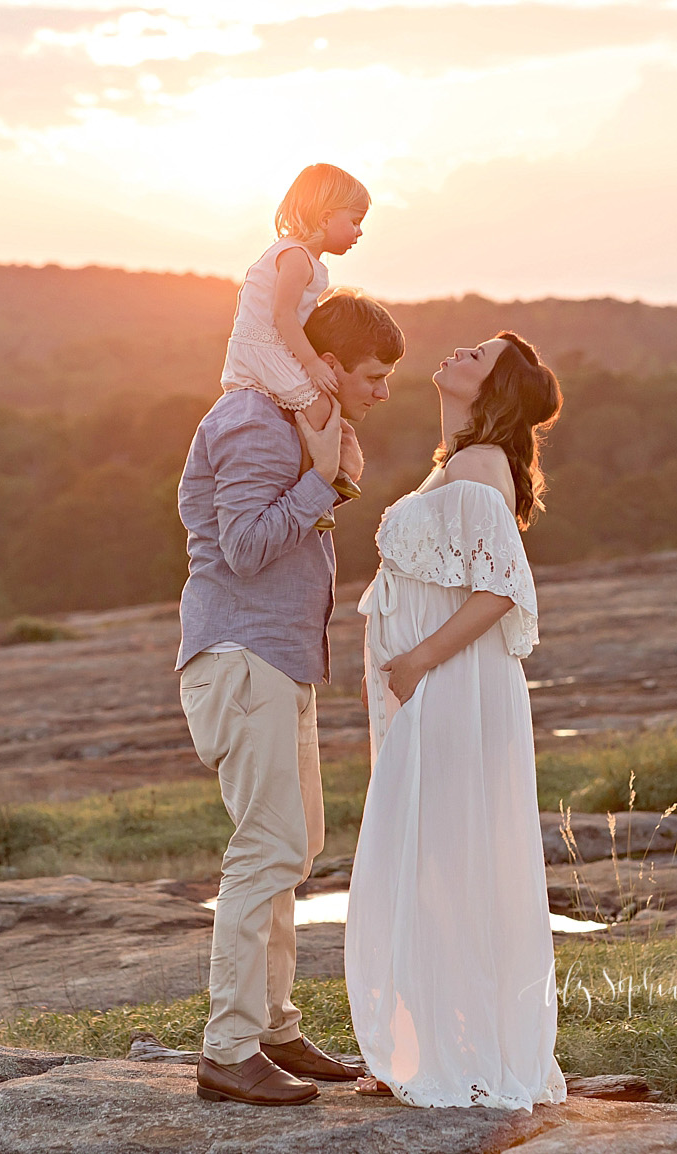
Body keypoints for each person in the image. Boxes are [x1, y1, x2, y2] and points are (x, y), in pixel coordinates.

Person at [176, 291, 402, 1105]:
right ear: (329, 365)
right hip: (242, 657)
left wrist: (325, 481)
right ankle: (229, 1049)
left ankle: (272, 1029)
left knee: (295, 844)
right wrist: (327, 483)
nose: (383, 392)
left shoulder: (293, 425)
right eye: (373, 376)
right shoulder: (251, 421)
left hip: (278, 659)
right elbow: (241, 548)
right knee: (265, 848)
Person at [345, 331, 567, 1108]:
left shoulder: (478, 469)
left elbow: (502, 589)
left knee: (441, 858)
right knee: (435, 858)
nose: (456, 354)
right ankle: (436, 1041)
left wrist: (415, 664)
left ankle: (452, 1050)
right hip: (436, 689)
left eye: (475, 356)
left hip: (451, 687)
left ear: (493, 390)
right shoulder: (459, 465)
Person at [219, 164, 373, 525]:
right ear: (324, 218)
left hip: (272, 347)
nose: (360, 231)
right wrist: (313, 364)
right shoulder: (296, 257)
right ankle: (313, 488)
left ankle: (315, 483)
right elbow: (283, 316)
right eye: (354, 220)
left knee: (320, 408)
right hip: (265, 348)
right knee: (319, 407)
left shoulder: (306, 260)